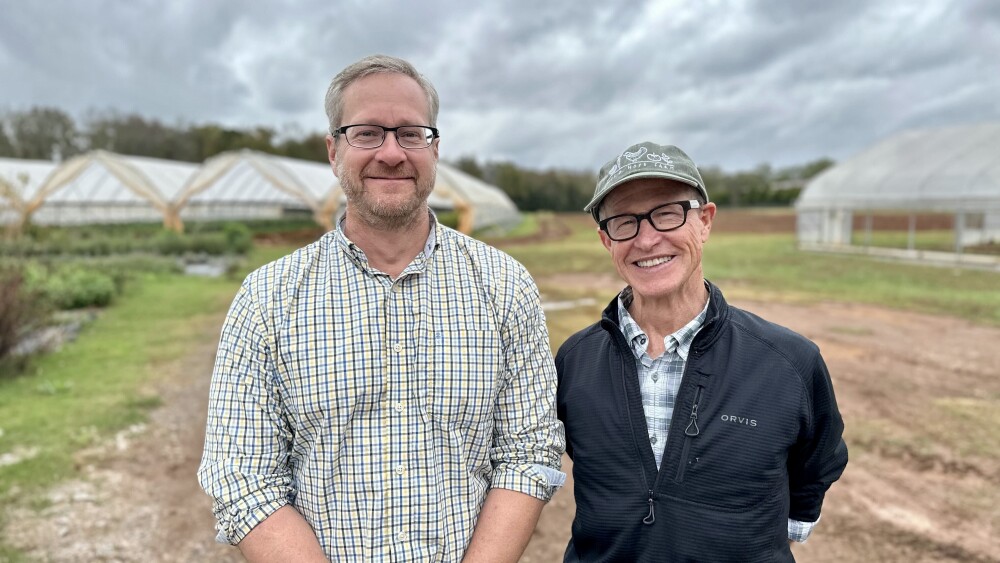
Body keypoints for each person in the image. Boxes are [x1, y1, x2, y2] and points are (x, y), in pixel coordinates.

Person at [197, 54, 565, 562]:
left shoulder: (504, 286)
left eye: (411, 133)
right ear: (333, 150)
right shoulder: (267, 299)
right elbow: (242, 478)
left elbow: (527, 453)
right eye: (367, 133)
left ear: (435, 148)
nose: (391, 153)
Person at [556, 141, 848, 562]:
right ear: (606, 239)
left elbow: (819, 460)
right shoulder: (574, 361)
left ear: (705, 221)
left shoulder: (788, 362)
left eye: (668, 213)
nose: (647, 238)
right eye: (624, 221)